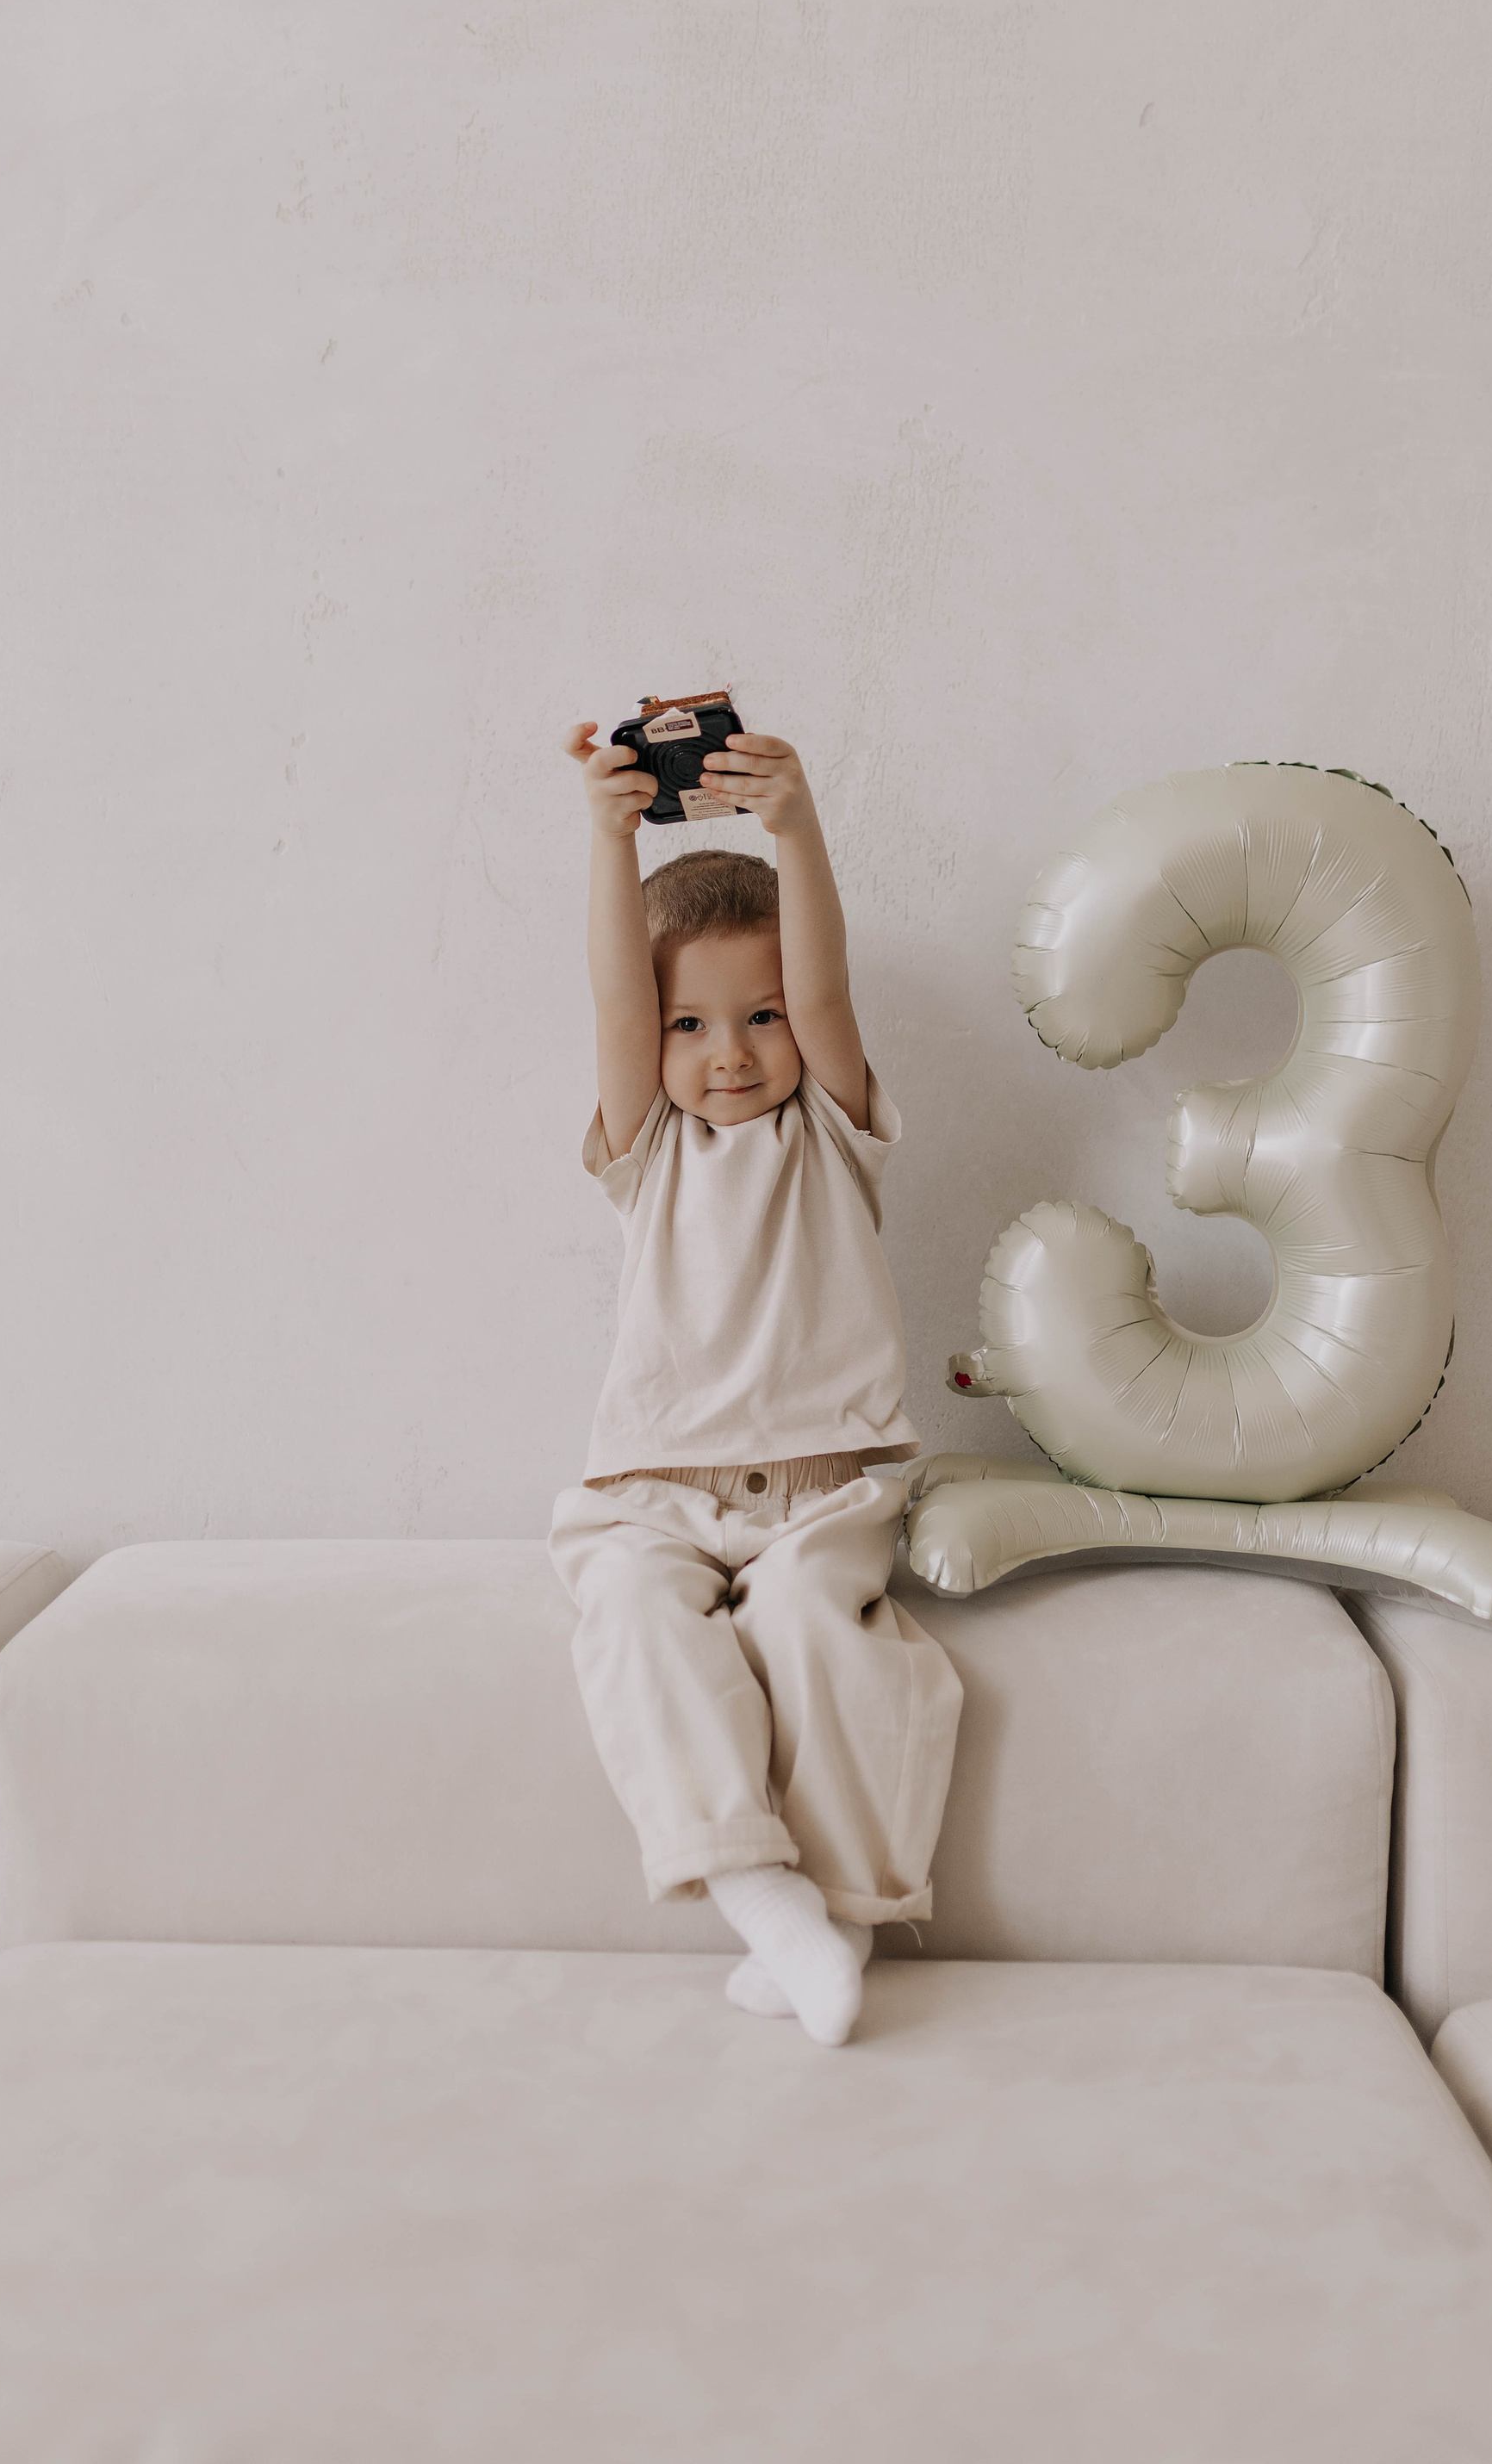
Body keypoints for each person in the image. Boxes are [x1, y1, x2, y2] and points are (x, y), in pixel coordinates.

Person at [548, 718, 963, 2045]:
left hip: (820, 1489)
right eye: (691, 1025)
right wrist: (608, 840)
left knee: (816, 1630)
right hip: (655, 1492)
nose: (728, 1052)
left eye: (759, 1017)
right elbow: (617, 1004)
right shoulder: (647, 1148)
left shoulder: (832, 1131)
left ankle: (842, 1912)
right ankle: (753, 1885)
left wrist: (796, 825)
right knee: (628, 1611)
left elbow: (828, 993)